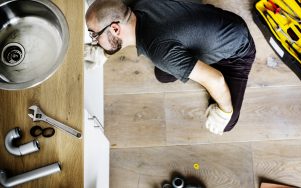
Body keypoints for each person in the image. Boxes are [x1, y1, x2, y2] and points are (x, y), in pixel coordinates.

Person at [85, 0, 256, 135]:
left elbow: (216, 79)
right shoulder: (138, 6)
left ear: (115, 28)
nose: (94, 40)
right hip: (213, 22)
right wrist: (105, 53)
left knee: (227, 123)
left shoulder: (160, 52)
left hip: (237, 50)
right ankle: (198, 59)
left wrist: (224, 112)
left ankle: (210, 70)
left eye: (94, 35)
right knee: (163, 75)